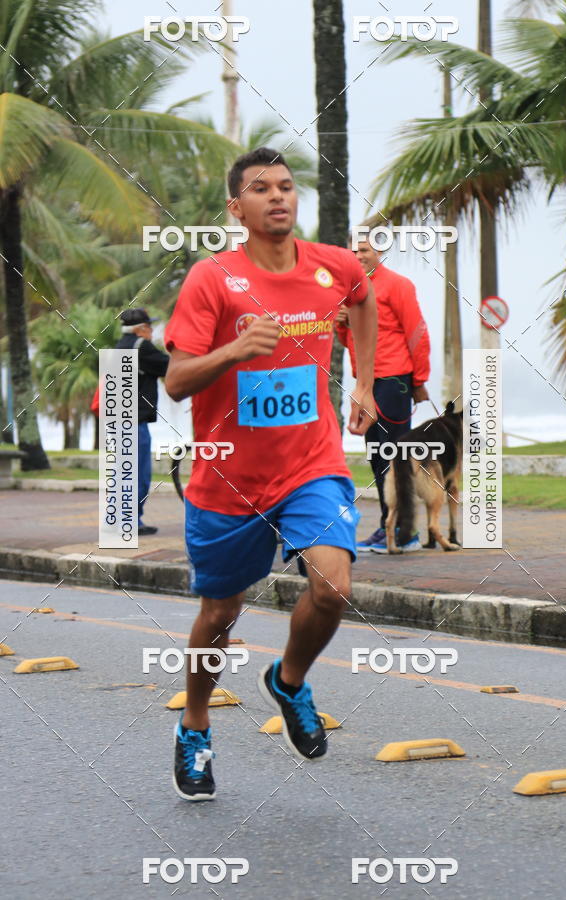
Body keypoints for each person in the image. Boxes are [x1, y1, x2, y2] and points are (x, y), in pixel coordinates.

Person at [164, 147, 377, 801]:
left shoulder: (334, 266)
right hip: (228, 479)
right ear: (237, 208)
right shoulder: (211, 279)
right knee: (220, 613)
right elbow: (176, 381)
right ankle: (195, 724)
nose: (278, 196)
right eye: (261, 189)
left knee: (333, 586)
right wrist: (235, 349)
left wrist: (364, 382)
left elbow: (362, 300)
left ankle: (288, 681)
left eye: (286, 186)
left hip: (311, 465)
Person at [335, 235, 431, 553]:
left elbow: (417, 333)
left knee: (395, 456)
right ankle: (388, 527)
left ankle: (406, 533)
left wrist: (419, 380)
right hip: (366, 384)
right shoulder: (349, 289)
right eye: (352, 251)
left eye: (363, 249)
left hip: (394, 380)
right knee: (377, 456)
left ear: (379, 250)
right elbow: (349, 339)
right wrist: (341, 324)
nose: (357, 255)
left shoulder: (398, 285)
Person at [116, 308, 169, 536]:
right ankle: (130, 522)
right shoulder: (141, 347)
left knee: (124, 473)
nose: (152, 332)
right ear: (141, 329)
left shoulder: (119, 347)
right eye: (149, 327)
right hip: (135, 421)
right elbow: (169, 365)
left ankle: (123, 520)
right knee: (139, 475)